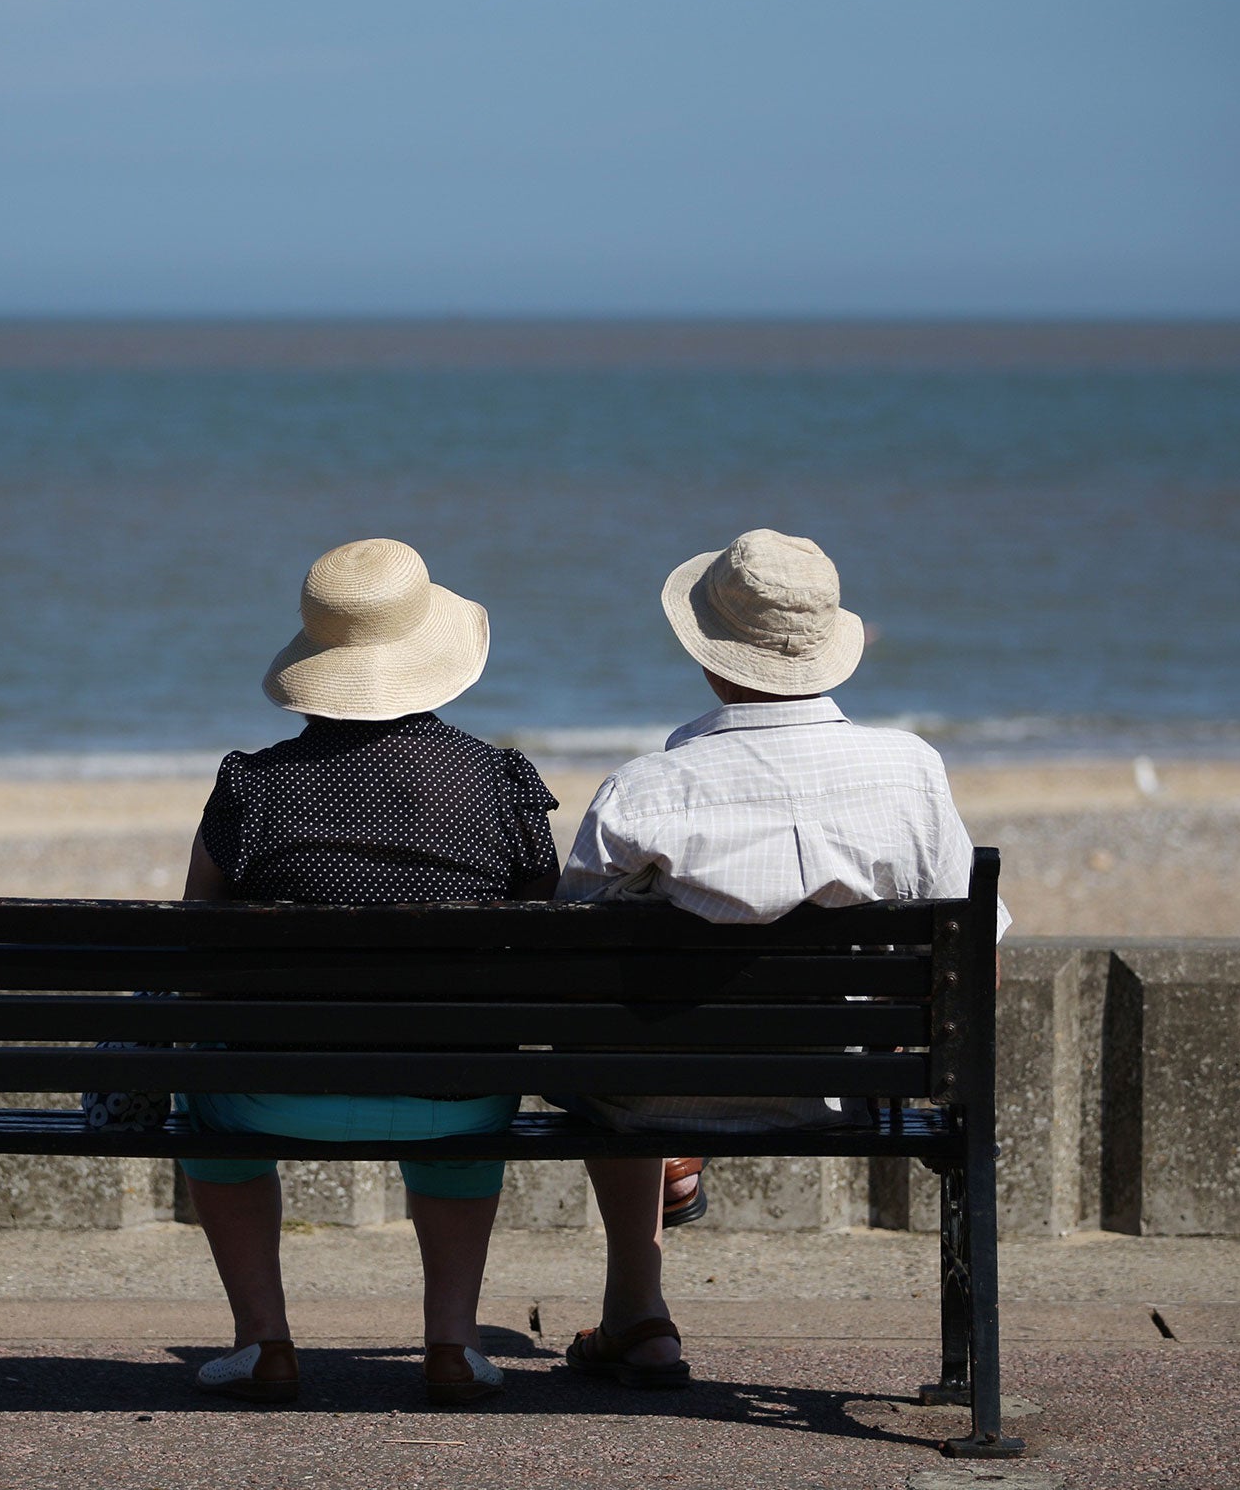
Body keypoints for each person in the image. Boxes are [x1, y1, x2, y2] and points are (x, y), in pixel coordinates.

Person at [551, 528, 1010, 1388]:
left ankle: (640, 1311)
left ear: (710, 657)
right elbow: (973, 962)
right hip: (855, 1088)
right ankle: (968, 1377)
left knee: (614, 1058)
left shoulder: (644, 789)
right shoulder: (911, 773)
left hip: (648, 1090)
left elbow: (573, 970)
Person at [178, 537, 560, 1407]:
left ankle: (263, 1343)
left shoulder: (250, 786)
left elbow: (198, 941)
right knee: (463, 1068)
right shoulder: (502, 783)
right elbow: (542, 936)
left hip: (273, 1092)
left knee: (204, 1104)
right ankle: (454, 1346)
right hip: (456, 1094)